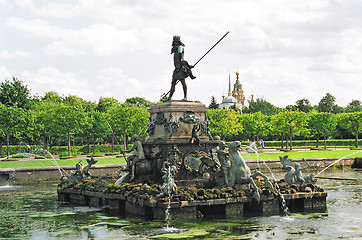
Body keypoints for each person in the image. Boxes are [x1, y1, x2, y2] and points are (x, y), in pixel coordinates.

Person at [167, 35, 196, 101]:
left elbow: (182, 59)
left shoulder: (180, 48)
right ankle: (170, 97)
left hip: (180, 69)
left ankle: (185, 97)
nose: (175, 43)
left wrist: (187, 65)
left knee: (183, 83)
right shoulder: (175, 49)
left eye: (176, 41)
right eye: (174, 42)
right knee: (173, 84)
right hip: (176, 69)